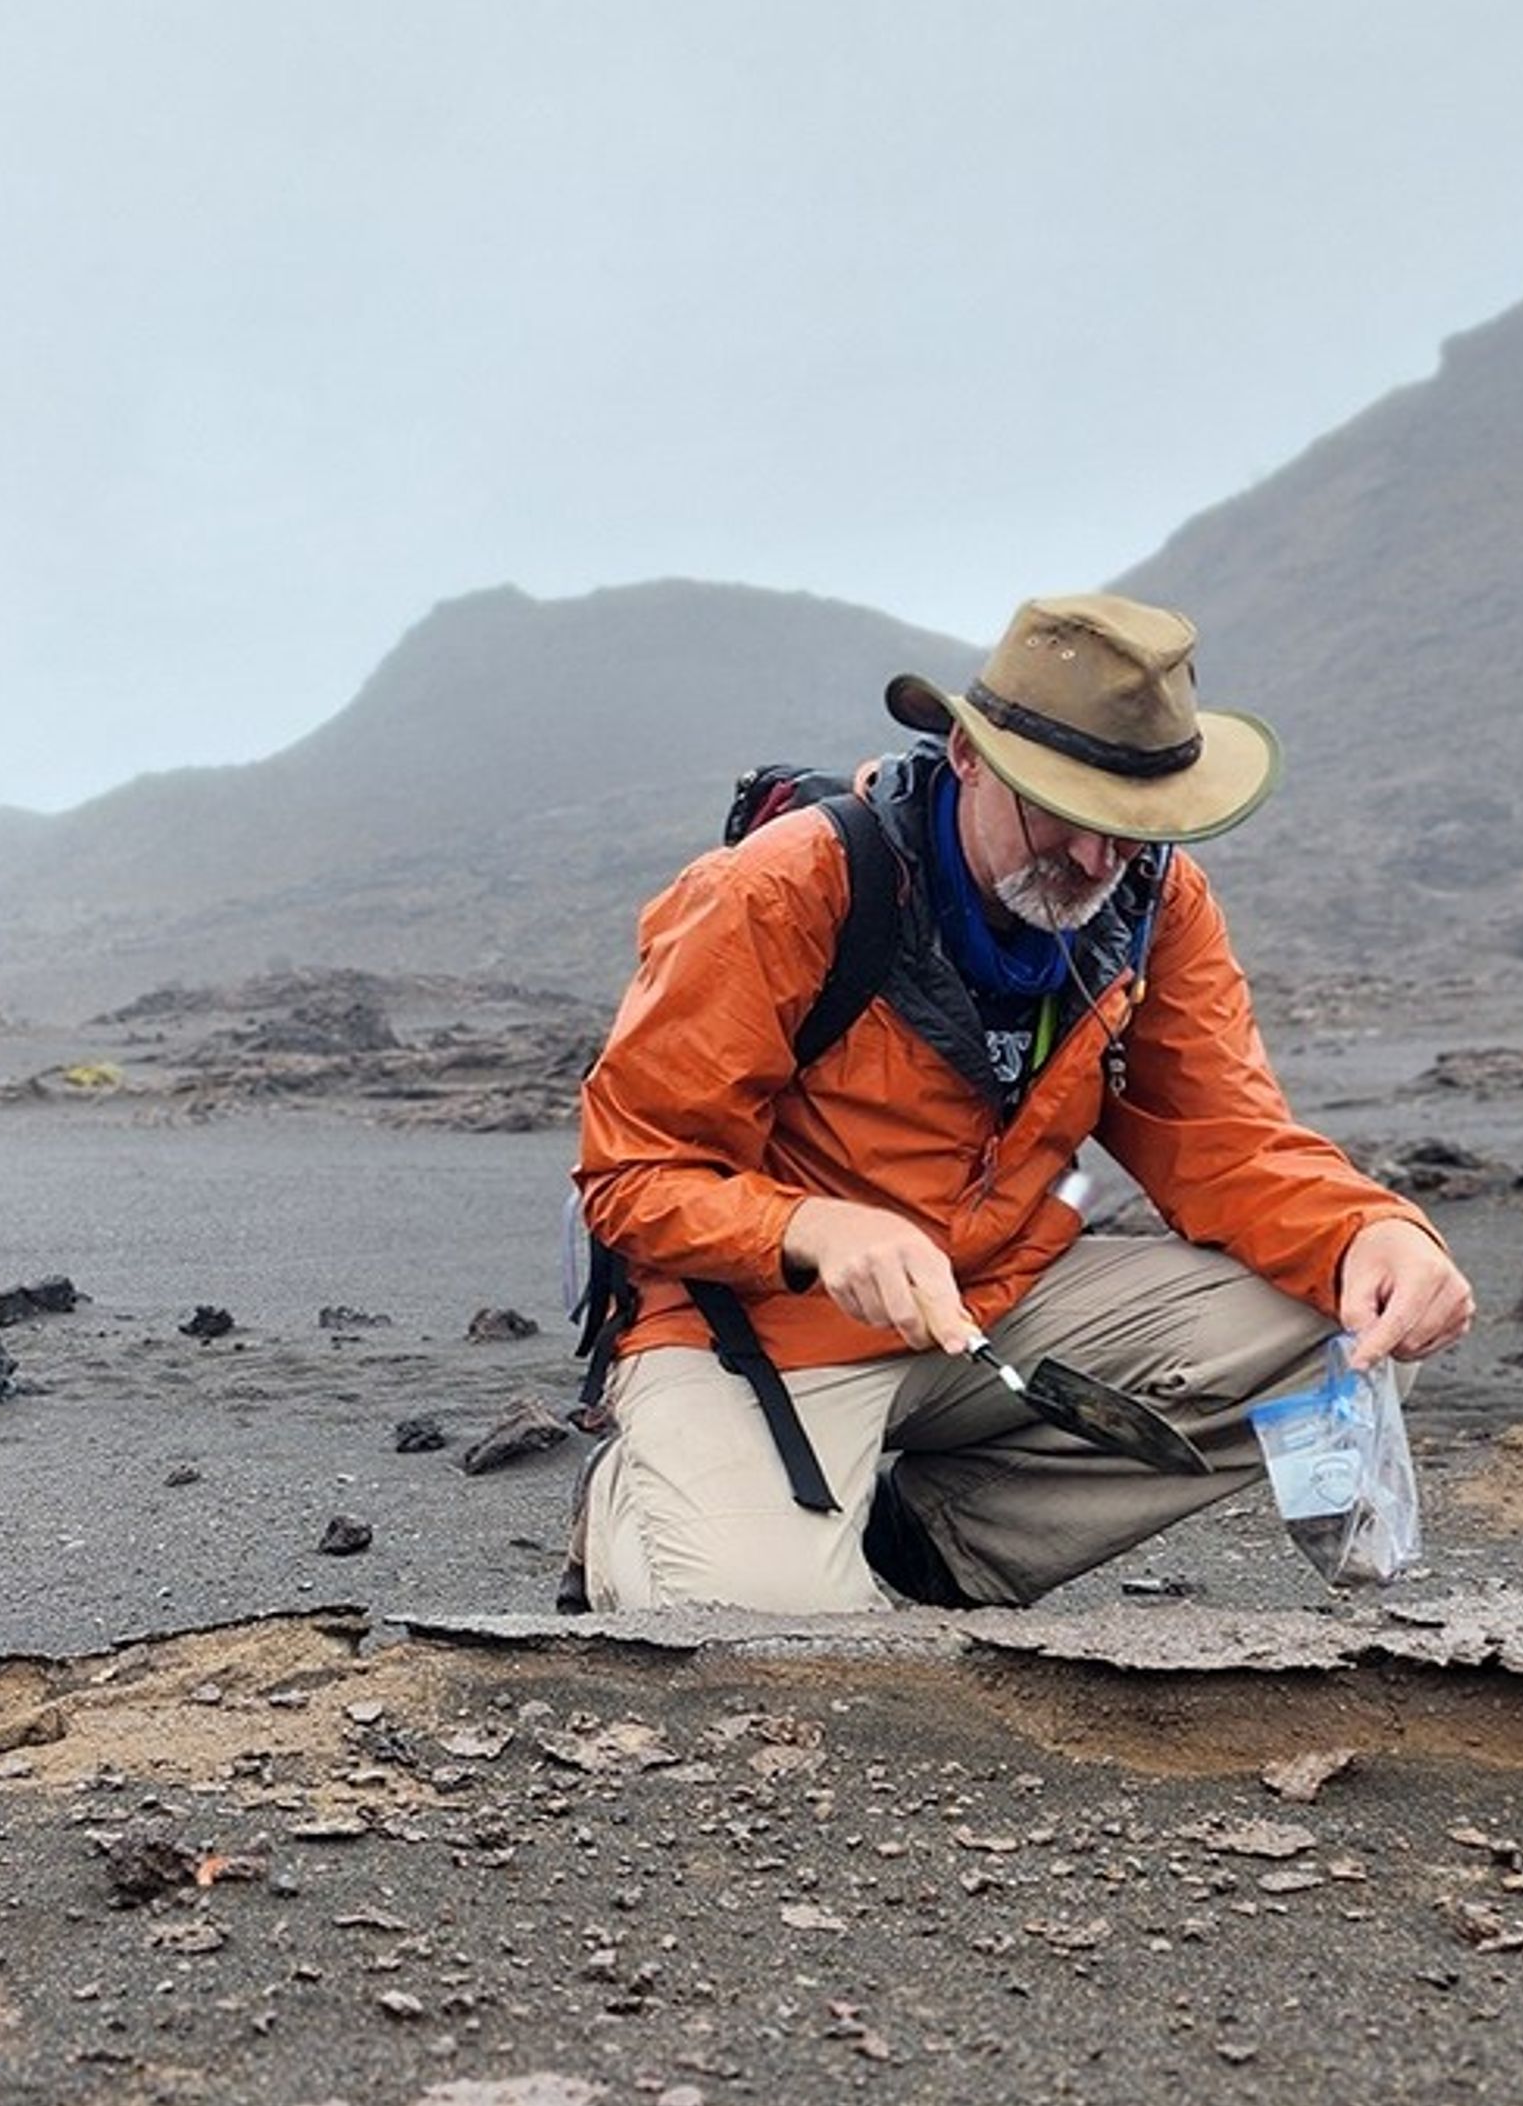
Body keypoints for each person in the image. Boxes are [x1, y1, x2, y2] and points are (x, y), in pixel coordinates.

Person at [571, 591, 1476, 1612]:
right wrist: (814, 1230)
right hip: (756, 1334)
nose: (1098, 862)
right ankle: (641, 1492)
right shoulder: (782, 889)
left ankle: (937, 1543)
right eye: (1072, 816)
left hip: (989, 1310)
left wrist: (1368, 1231)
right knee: (762, 1643)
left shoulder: (1150, 902)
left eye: (1134, 830)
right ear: (967, 756)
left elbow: (1224, 1139)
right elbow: (632, 1176)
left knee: (1347, 1318)